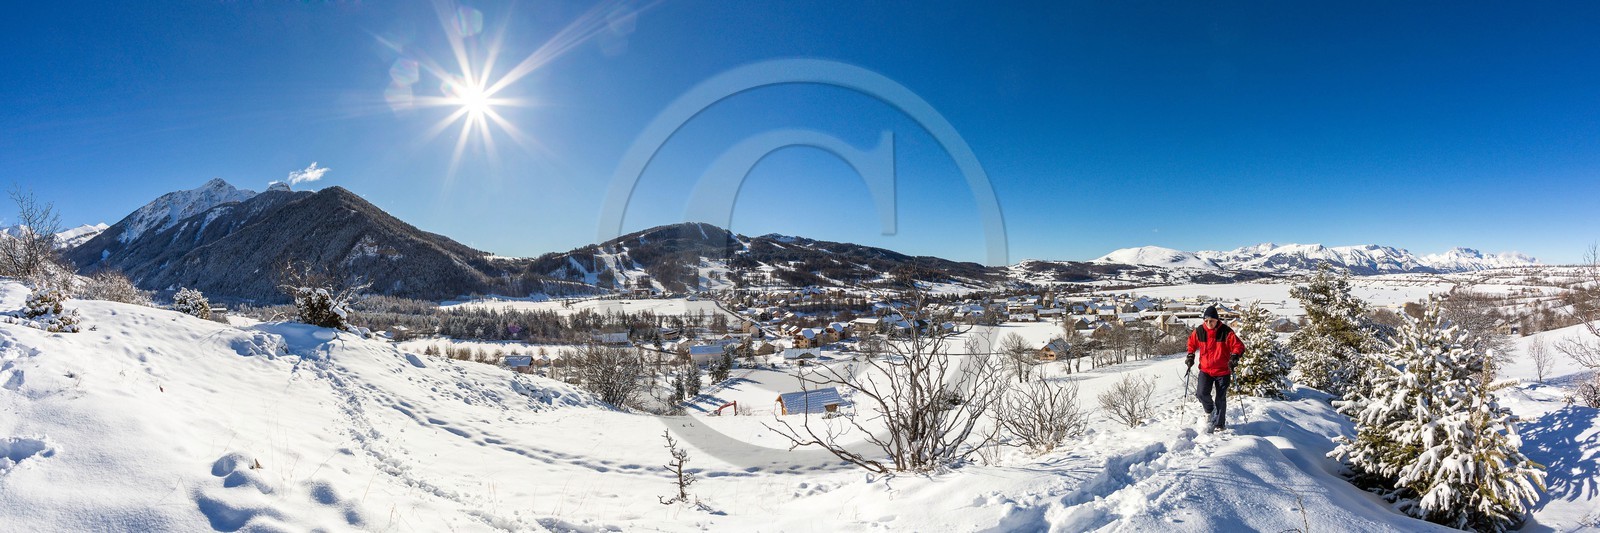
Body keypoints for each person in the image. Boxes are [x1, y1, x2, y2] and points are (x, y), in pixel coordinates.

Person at [1186, 305, 1245, 433]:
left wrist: (1234, 356)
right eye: (1206, 320)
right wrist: (1190, 355)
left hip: (1223, 371)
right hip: (1205, 370)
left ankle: (1220, 425)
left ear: (1217, 320)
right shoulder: (1199, 331)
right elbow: (1191, 343)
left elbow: (1239, 346)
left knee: (1220, 398)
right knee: (1201, 393)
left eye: (1211, 320)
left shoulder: (1226, 332)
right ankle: (1210, 410)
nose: (1209, 323)